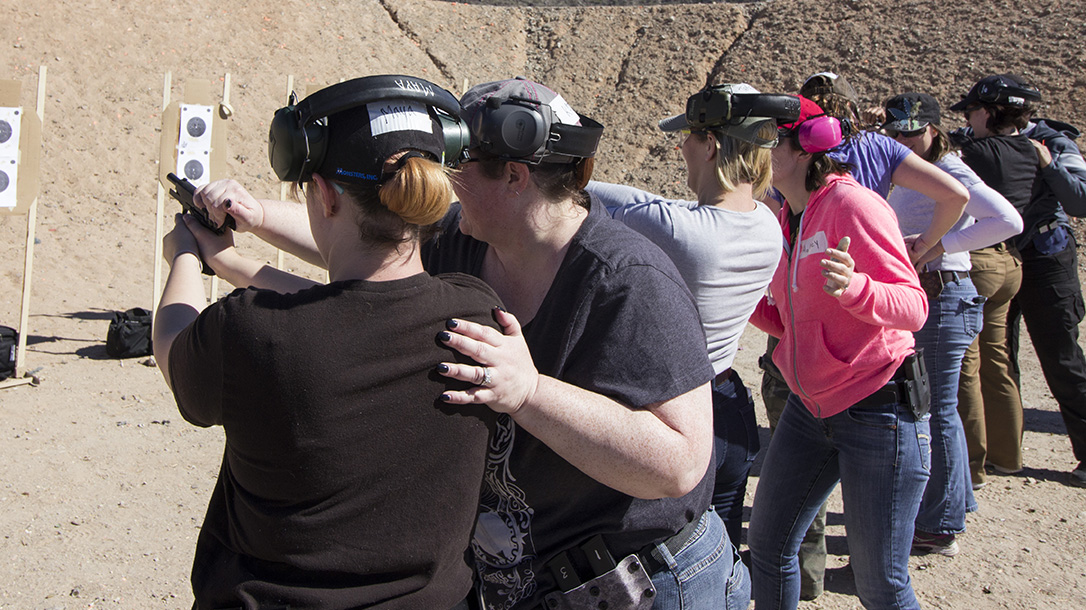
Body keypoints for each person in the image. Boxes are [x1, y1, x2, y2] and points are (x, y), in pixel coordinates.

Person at [197, 77, 728, 610]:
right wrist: (256, 217)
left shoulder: (628, 279)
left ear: (515, 177)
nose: (441, 181)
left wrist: (529, 393)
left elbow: (680, 463)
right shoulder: (468, 243)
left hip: (653, 582)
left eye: (459, 163)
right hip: (543, 582)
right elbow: (364, 244)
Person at [151, 75, 502, 610]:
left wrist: (185, 256)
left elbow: (174, 347)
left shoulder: (251, 332)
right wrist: (234, 264)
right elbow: (350, 310)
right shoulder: (475, 313)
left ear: (324, 194)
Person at [758, 71, 969, 600]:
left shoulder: (854, 204)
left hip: (878, 410)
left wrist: (857, 289)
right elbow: (789, 323)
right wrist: (743, 303)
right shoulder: (789, 215)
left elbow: (915, 308)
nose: (757, 150)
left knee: (880, 584)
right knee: (768, 547)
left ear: (807, 147)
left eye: (769, 139)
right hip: (812, 408)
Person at [584, 83, 786, 553]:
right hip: (729, 410)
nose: (681, 148)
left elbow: (603, 196)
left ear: (711, 145)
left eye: (690, 138)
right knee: (719, 560)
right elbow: (652, 202)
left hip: (673, 415)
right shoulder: (764, 223)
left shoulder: (677, 231)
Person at [878, 92, 1023, 556]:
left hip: (944, 291)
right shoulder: (915, 167)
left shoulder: (949, 169)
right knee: (939, 407)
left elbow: (1006, 220)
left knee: (934, 409)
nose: (904, 139)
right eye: (897, 131)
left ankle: (941, 523)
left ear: (934, 131)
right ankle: (953, 503)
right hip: (937, 293)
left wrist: (938, 245)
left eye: (913, 131)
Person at [950, 74, 1086, 489]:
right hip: (1002, 256)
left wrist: (1049, 164)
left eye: (973, 111)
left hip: (1046, 257)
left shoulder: (1054, 142)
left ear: (991, 112)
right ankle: (1001, 453)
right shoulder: (974, 143)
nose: (968, 119)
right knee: (1000, 357)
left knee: (1060, 356)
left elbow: (1080, 200)